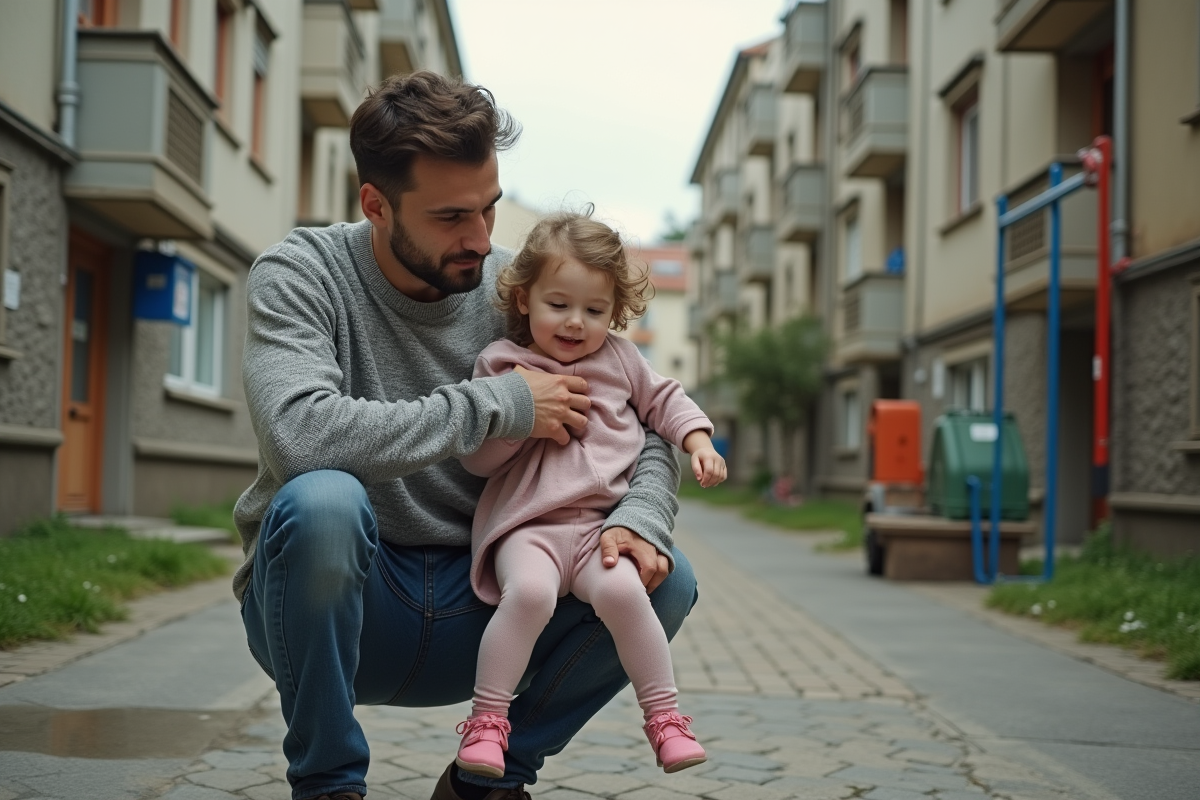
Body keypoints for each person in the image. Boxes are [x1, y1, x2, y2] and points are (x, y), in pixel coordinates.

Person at [233, 71, 698, 800]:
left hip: (488, 602)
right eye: (453, 217)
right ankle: (326, 786)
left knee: (661, 578)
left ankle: (488, 783)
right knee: (322, 502)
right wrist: (499, 404)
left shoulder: (525, 291)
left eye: (490, 208)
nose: (481, 241)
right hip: (343, 613)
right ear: (376, 205)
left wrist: (641, 518)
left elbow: (641, 418)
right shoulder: (302, 273)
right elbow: (298, 434)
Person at [453, 212, 727, 780]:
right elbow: (475, 459)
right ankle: (487, 723)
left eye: (595, 311)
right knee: (529, 595)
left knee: (627, 596)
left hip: (602, 531)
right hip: (528, 528)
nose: (576, 322)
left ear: (614, 313)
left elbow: (666, 402)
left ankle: (665, 717)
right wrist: (523, 422)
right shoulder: (503, 364)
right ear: (524, 299)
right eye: (559, 304)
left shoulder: (622, 360)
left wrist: (698, 442)